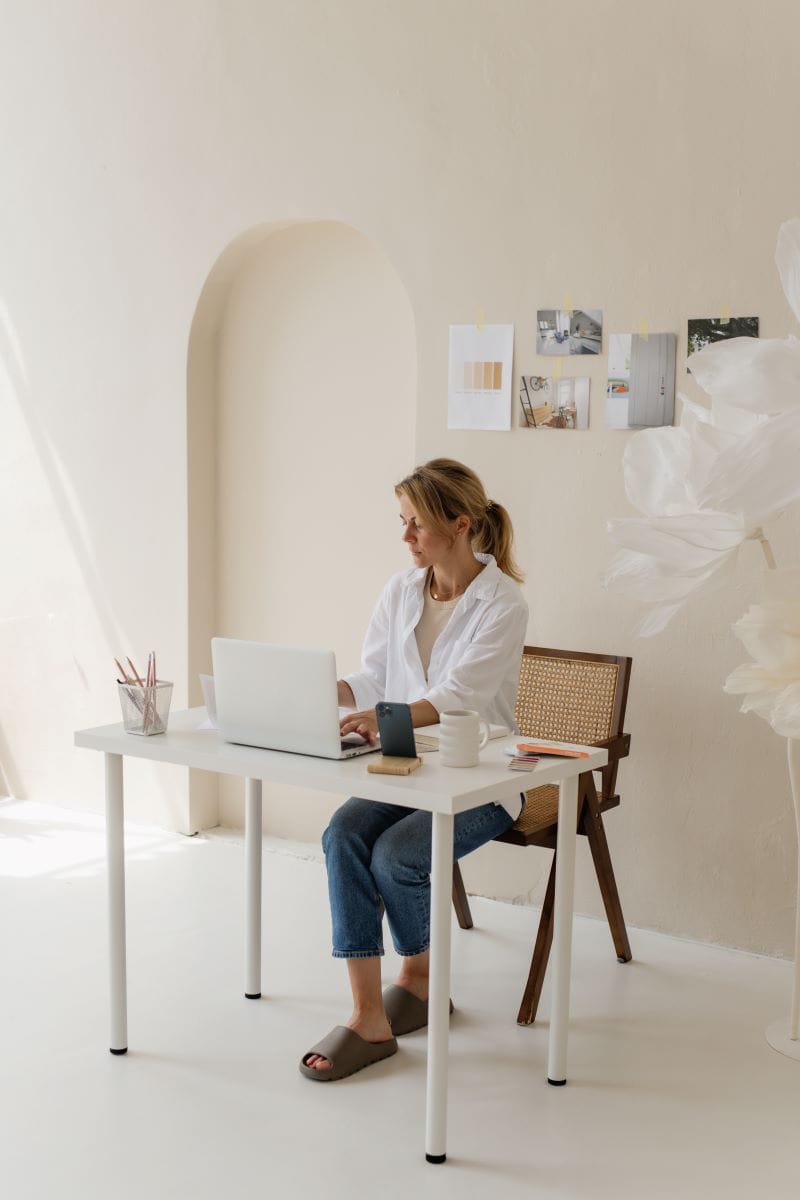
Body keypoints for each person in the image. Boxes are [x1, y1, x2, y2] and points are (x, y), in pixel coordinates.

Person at [300, 458, 529, 1081]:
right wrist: (329, 690)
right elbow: (374, 674)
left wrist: (384, 714)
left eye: (417, 526)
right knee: (342, 835)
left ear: (460, 525)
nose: (405, 538)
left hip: (482, 780)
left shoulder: (502, 603)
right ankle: (367, 1016)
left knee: (398, 857)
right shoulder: (402, 590)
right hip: (402, 770)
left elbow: (462, 693)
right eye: (402, 522)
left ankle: (420, 978)